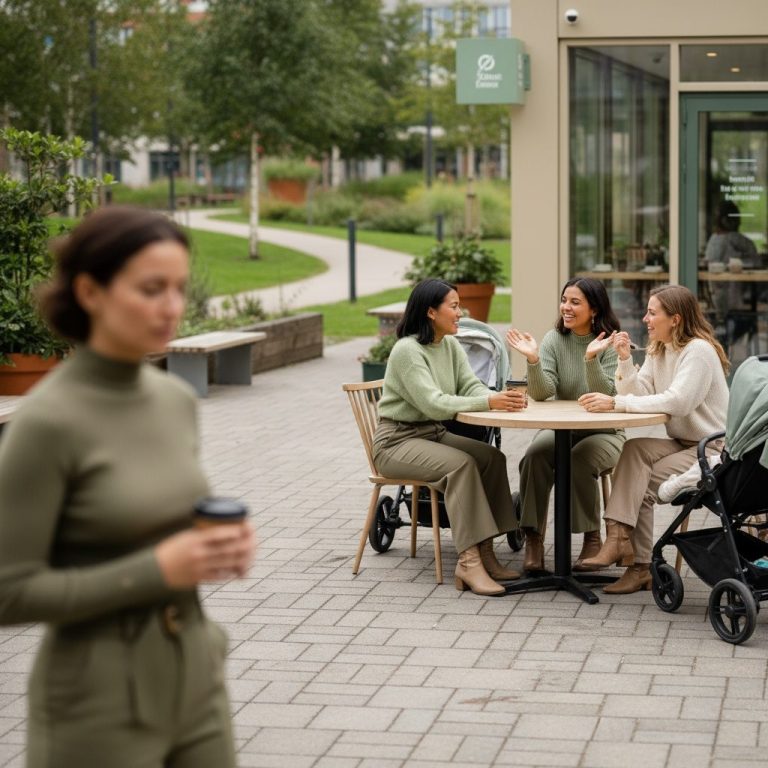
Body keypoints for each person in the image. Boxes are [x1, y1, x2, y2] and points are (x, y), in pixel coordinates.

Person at [0, 206, 256, 767]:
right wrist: (158, 570)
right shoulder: (46, 423)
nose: (171, 307)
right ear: (90, 291)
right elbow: (9, 591)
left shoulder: (175, 401)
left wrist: (213, 544)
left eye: (179, 288)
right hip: (97, 703)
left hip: (195, 678)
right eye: (151, 289)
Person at [372, 278, 526, 596]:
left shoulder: (450, 345)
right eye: (454, 306)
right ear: (431, 312)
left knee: (490, 458)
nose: (460, 313)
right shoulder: (407, 350)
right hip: (395, 442)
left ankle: (486, 553)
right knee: (461, 465)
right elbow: (433, 403)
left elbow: (469, 386)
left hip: (431, 433)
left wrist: (496, 397)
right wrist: (489, 402)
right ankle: (469, 563)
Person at [578, 284, 729, 593]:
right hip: (684, 442)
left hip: (712, 448)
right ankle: (618, 539)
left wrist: (615, 403)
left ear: (675, 319)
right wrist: (624, 361)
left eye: (651, 313)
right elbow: (639, 393)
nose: (644, 319)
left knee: (641, 483)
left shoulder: (698, 351)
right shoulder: (659, 348)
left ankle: (639, 566)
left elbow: (678, 402)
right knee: (634, 449)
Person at [506, 277, 625, 573]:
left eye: (575, 302)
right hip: (562, 429)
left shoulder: (610, 343)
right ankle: (533, 539)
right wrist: (533, 360)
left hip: (605, 432)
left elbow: (608, 393)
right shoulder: (554, 340)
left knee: (578, 461)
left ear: (594, 309)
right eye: (564, 300)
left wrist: (590, 358)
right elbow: (542, 393)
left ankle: (592, 539)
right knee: (534, 457)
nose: (566, 308)